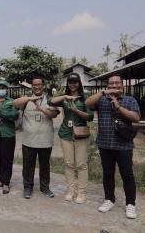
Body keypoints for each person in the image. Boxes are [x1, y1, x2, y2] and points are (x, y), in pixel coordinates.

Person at [85, 74, 140, 219]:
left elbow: (136, 118)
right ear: (108, 86)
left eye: (117, 83)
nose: (115, 85)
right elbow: (87, 103)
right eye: (111, 84)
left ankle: (130, 204)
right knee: (108, 174)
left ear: (121, 85)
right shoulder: (102, 99)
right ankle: (109, 199)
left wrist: (119, 107)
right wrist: (103, 93)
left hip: (124, 145)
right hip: (105, 144)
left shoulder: (130, 99)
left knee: (127, 175)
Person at [49, 73, 94, 203]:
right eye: (70, 82)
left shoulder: (85, 98)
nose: (72, 84)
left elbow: (90, 116)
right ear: (67, 83)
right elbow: (50, 101)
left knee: (81, 164)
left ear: (79, 83)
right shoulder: (65, 99)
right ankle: (70, 191)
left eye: (75, 82)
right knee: (69, 164)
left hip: (81, 134)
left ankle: (81, 193)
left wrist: (76, 111)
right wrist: (64, 96)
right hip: (65, 134)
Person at [13, 75, 59, 199]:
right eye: (34, 85)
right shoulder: (26, 100)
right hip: (29, 140)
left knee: (45, 165)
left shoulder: (49, 99)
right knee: (28, 166)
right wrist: (30, 98)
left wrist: (41, 109)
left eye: (39, 84)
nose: (37, 87)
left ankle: (45, 188)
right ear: (32, 87)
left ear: (43, 86)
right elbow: (15, 103)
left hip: (45, 139)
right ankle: (28, 188)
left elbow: (54, 114)